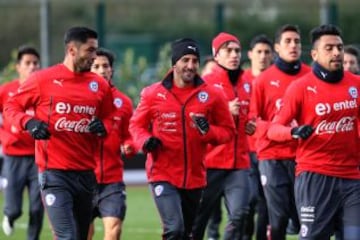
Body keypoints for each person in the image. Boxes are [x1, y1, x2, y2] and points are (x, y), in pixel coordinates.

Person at [4, 26, 114, 240]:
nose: (94, 56)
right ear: (72, 50)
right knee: (67, 236)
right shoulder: (43, 79)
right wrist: (29, 122)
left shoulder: (100, 85)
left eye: (96, 50)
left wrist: (104, 126)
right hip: (54, 173)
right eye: (89, 51)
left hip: (86, 175)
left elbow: (109, 117)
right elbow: (11, 106)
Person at [129, 38, 235, 240]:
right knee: (174, 229)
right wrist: (145, 141)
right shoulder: (153, 93)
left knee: (188, 234)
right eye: (185, 60)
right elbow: (136, 125)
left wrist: (208, 131)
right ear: (174, 63)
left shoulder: (213, 95)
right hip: (162, 174)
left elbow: (228, 132)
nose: (190, 65)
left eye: (195, 60)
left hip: (195, 178)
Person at [267, 24, 360, 240]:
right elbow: (274, 129)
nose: (336, 53)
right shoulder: (300, 87)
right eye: (329, 48)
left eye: (339, 47)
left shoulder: (356, 84)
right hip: (315, 177)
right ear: (315, 54)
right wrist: (294, 132)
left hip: (352, 179)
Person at [249, 24, 311, 240]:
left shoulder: (310, 76)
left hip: (304, 158)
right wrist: (285, 131)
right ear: (277, 47)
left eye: (297, 41)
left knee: (308, 217)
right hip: (271, 156)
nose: (293, 45)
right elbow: (252, 122)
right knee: (279, 217)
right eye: (288, 41)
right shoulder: (263, 81)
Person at [192, 32, 255, 240]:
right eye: (228, 51)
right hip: (211, 163)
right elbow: (194, 120)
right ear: (216, 56)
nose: (234, 55)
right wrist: (226, 110)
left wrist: (253, 124)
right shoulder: (205, 83)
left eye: (237, 50)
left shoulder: (248, 82)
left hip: (239, 164)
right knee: (199, 219)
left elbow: (254, 115)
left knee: (239, 215)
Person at [87, 48, 134, 240]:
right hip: (84, 179)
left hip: (112, 180)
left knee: (114, 229)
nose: (101, 70)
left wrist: (130, 146)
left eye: (105, 66)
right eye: (95, 66)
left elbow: (130, 136)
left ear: (111, 70)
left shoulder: (123, 102)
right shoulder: (78, 99)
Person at [0, 46, 44, 239]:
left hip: (39, 157)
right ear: (18, 67)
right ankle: (9, 215)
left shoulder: (45, 90)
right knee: (14, 208)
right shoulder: (5, 91)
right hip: (13, 157)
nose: (32, 66)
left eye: (35, 63)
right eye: (27, 63)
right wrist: (4, 137)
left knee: (37, 206)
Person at [242, 34, 273, 240]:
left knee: (265, 202)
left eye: (267, 52)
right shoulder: (241, 79)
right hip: (243, 152)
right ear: (250, 54)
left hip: (267, 150)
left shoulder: (276, 80)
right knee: (248, 199)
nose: (263, 56)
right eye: (259, 52)